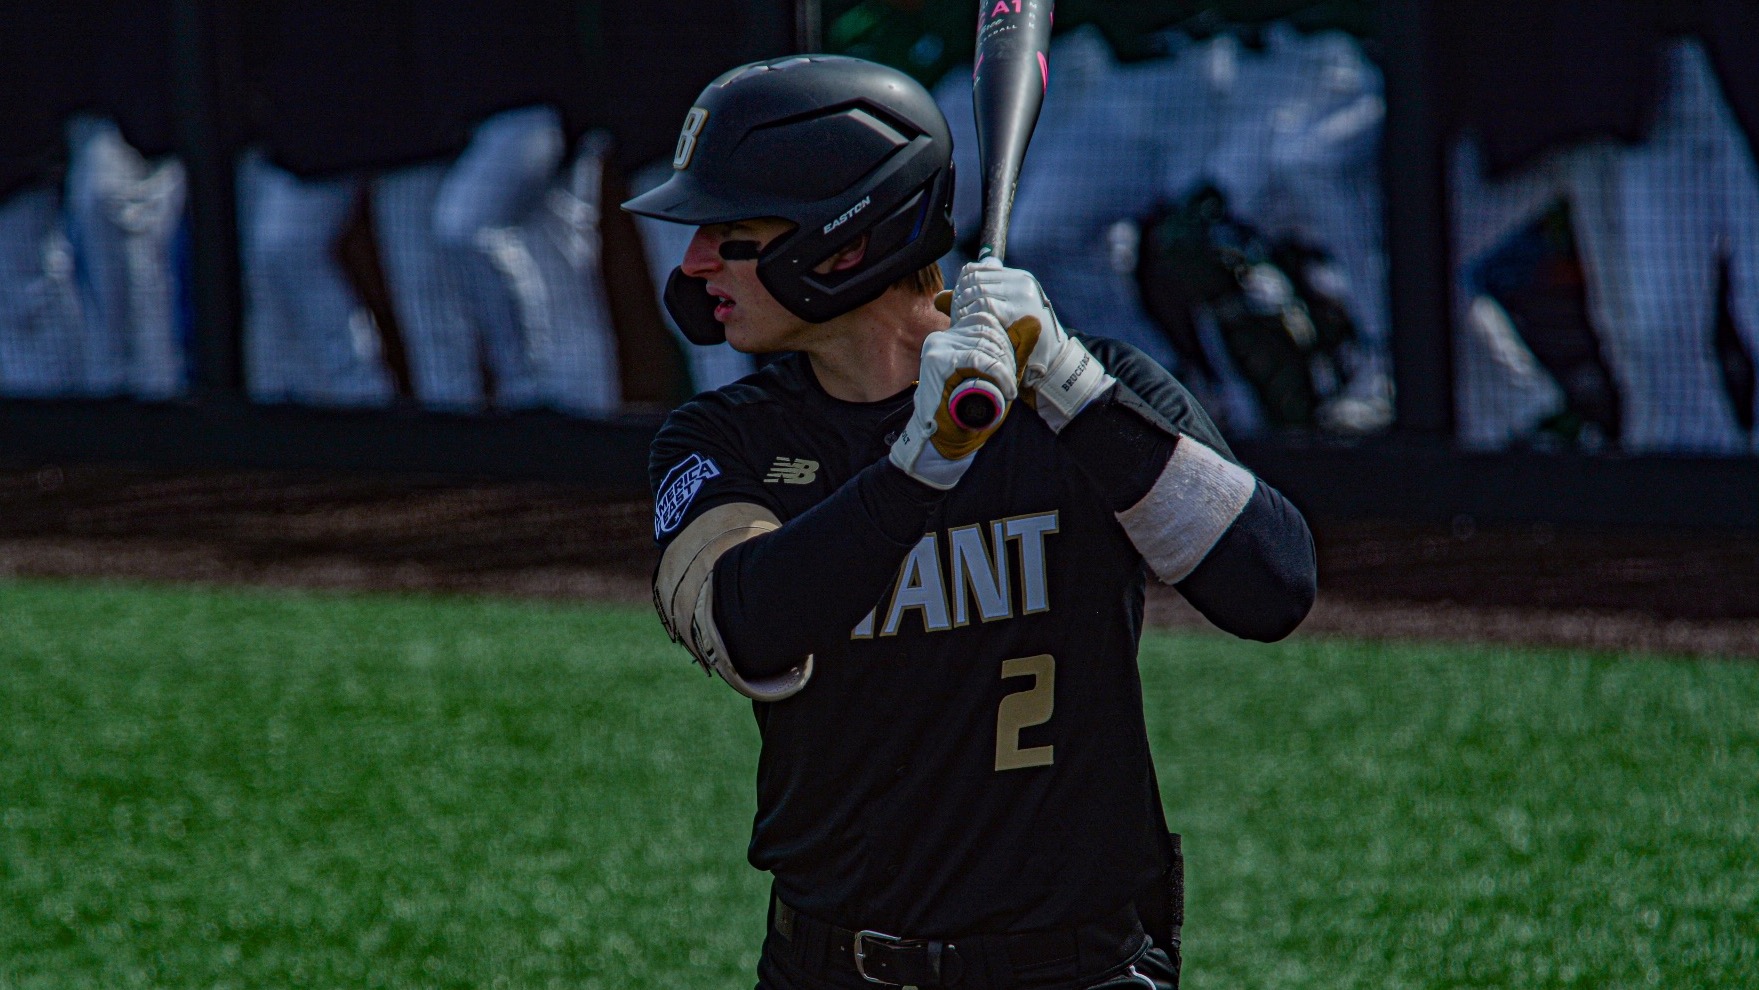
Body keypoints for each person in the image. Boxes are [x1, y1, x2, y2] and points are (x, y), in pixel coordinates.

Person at [625, 56, 1317, 990]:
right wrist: (919, 467)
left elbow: (1272, 588)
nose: (693, 264)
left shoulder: (1089, 396)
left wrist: (1072, 389)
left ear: (841, 246)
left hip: (1082, 970)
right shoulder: (723, 438)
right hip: (835, 969)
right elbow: (747, 623)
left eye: (731, 235)